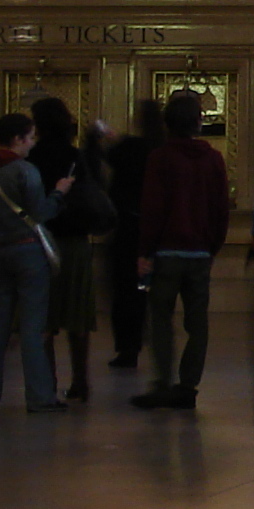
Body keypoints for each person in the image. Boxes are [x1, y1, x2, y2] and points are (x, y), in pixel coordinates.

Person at [131, 89, 229, 411]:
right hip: (200, 253)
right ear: (199, 124)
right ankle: (188, 386)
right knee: (197, 323)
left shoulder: (160, 158)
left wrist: (145, 251)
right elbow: (220, 209)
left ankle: (162, 382)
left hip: (166, 252)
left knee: (160, 319)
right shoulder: (214, 159)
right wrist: (212, 246)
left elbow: (152, 208)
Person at [0, 112, 70, 412]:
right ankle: (40, 396)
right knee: (32, 327)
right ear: (17, 139)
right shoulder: (24, 171)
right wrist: (59, 192)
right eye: (29, 138)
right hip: (28, 251)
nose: (32, 144)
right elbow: (40, 212)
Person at [27, 96, 104, 399]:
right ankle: (81, 381)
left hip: (41, 240)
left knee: (44, 316)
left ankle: (48, 381)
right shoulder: (77, 156)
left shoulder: (32, 158)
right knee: (78, 315)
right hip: (76, 240)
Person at [104, 99, 164, 370]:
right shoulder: (162, 150)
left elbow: (108, 156)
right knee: (150, 291)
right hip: (159, 230)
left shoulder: (130, 148)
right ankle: (160, 350)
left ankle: (128, 347)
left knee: (126, 290)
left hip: (127, 228)